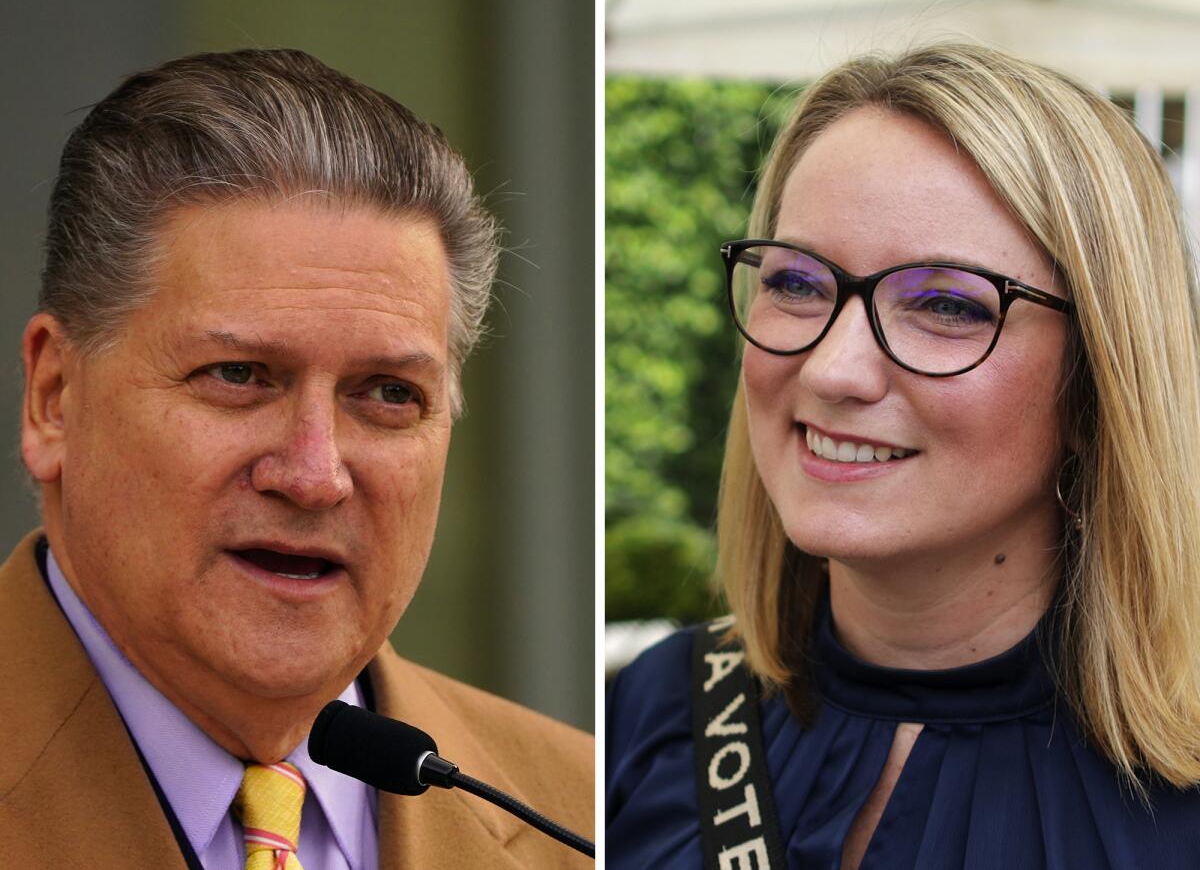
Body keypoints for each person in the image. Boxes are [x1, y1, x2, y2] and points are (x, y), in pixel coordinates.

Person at [607, 42, 1200, 868]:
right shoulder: (638, 722)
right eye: (797, 283)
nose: (832, 368)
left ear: (1099, 380)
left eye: (945, 304)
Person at [0, 48, 592, 868]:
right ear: (54, 397)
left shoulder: (584, 812)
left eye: (387, 393)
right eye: (238, 376)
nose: (315, 474)